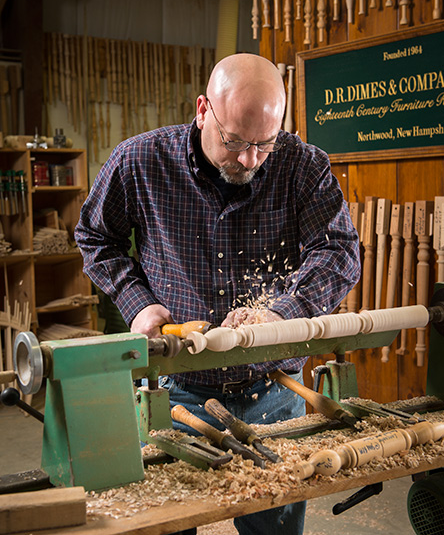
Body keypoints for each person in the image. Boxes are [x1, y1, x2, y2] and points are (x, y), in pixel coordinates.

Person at [75, 53, 361, 535]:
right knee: (168, 523)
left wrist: (280, 315)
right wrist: (136, 302)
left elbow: (339, 253)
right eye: (235, 141)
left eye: (264, 144)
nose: (249, 160)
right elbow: (95, 236)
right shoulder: (139, 162)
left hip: (274, 391)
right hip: (177, 393)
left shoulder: (302, 166)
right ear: (203, 110)